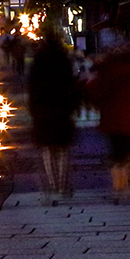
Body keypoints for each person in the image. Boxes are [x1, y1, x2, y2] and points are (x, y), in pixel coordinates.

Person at [88, 46, 130, 193]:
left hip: (112, 121)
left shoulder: (105, 73)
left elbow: (95, 93)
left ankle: (119, 182)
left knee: (117, 154)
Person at [28, 35, 79, 196]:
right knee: (62, 149)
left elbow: (32, 90)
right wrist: (73, 107)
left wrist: (34, 110)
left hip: (43, 112)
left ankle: (52, 183)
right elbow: (71, 86)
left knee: (47, 149)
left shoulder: (38, 64)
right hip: (61, 109)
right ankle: (63, 184)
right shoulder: (63, 63)